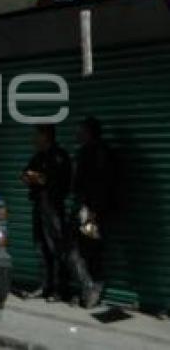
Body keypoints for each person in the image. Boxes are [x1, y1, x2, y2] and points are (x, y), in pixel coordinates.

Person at [21, 124, 72, 301]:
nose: (34, 139)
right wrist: (32, 178)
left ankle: (59, 290)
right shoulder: (38, 157)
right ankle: (44, 286)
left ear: (46, 136)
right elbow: (25, 175)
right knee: (40, 247)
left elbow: (62, 182)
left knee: (56, 248)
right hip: (39, 206)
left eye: (37, 135)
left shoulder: (59, 156)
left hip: (53, 208)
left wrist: (41, 179)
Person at [70, 117, 115, 308]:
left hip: (89, 211)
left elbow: (84, 184)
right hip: (94, 210)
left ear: (88, 132)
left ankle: (92, 290)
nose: (77, 134)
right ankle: (90, 288)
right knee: (87, 249)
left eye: (80, 131)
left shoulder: (91, 153)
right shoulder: (103, 152)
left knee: (84, 250)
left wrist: (91, 209)